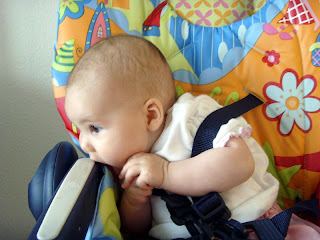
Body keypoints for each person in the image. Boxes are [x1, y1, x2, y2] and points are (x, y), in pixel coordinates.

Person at [64, 35, 320, 239]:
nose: (84, 144)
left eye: (94, 128)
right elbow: (137, 230)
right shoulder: (128, 171)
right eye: (80, 129)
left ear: (150, 116)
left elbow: (240, 164)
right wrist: (134, 201)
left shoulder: (191, 119)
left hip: (252, 227)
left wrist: (167, 174)